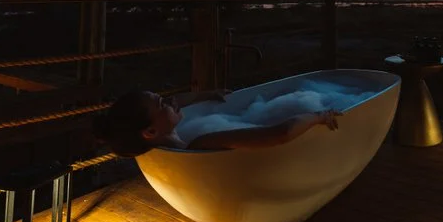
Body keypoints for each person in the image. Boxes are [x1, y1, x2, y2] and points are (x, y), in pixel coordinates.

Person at [92, 88, 342, 157]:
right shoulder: (200, 143)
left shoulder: (160, 141)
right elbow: (281, 134)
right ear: (150, 131)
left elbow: (178, 100)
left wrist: (206, 95)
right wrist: (319, 116)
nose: (171, 101)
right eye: (162, 103)